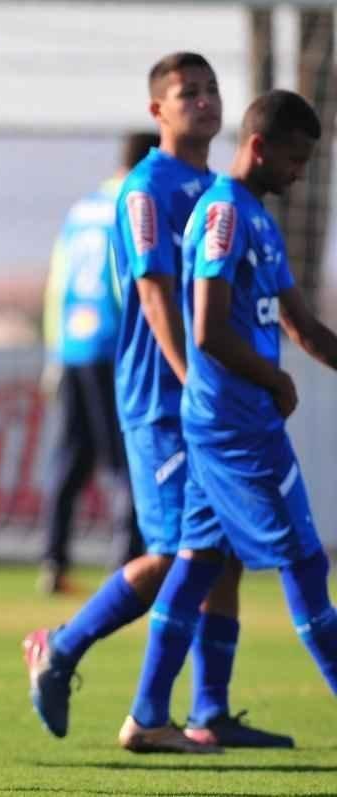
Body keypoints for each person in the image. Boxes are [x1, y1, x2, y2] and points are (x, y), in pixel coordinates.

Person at [23, 52, 291, 752]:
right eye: (187, 92)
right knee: (179, 552)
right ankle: (63, 648)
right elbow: (152, 293)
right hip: (161, 400)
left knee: (222, 548)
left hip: (212, 399)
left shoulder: (219, 189)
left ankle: (210, 709)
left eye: (211, 89)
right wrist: (193, 378)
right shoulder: (146, 189)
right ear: (157, 111)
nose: (204, 101)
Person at [121, 88, 337, 750]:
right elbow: (208, 329)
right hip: (236, 427)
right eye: (295, 160)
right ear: (260, 147)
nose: (299, 175)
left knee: (196, 562)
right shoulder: (223, 213)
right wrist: (272, 378)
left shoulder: (258, 219)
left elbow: (301, 325)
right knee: (306, 564)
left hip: (234, 421)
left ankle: (149, 715)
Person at [37, 132, 155, 595]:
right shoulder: (134, 206)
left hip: (72, 346)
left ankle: (53, 560)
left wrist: (54, 351)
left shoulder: (82, 209)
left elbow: (57, 283)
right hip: (115, 344)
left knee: (71, 458)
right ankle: (127, 564)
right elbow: (131, 282)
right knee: (126, 458)